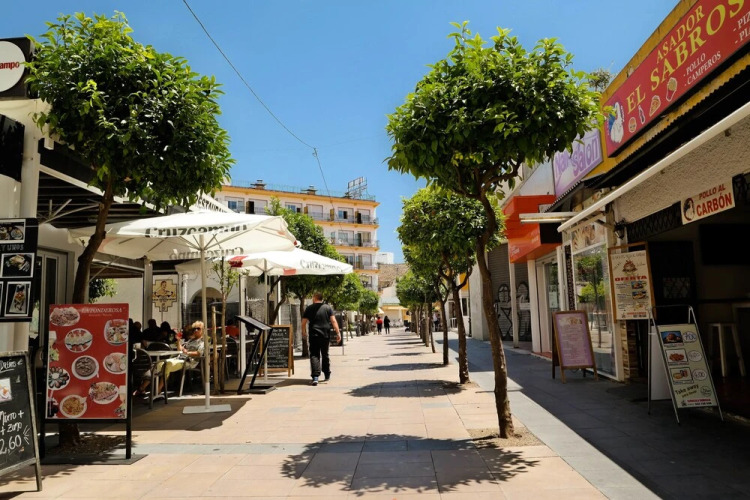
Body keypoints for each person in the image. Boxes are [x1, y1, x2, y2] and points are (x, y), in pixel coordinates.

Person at [135, 321, 204, 397]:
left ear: (202, 330)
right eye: (194, 329)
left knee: (167, 365)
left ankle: (158, 390)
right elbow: (180, 349)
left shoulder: (202, 342)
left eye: (198, 328)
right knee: (158, 364)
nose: (196, 330)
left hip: (189, 361)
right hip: (179, 358)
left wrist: (187, 353)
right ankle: (142, 387)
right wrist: (178, 340)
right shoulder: (190, 340)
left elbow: (199, 353)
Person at [301, 292, 340, 386]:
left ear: (315, 298)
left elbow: (303, 322)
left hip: (313, 335)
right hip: (325, 335)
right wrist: (338, 333)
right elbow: (333, 321)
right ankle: (327, 374)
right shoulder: (327, 308)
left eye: (312, 297)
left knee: (314, 354)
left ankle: (315, 377)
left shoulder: (309, 308)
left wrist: (303, 331)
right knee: (325, 354)